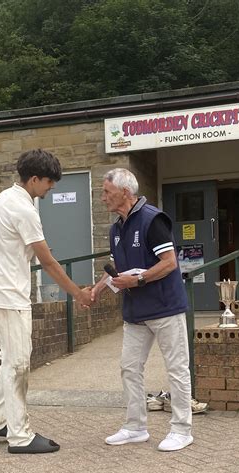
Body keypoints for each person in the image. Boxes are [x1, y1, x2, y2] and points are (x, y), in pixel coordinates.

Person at [0, 148, 92, 454]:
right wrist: (78, 293)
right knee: (19, 362)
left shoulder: (3, 198)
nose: (51, 187)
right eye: (48, 181)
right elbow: (50, 264)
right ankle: (20, 435)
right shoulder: (25, 210)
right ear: (33, 179)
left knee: (9, 357)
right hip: (10, 294)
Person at [91, 168, 193, 452]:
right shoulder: (116, 228)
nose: (102, 199)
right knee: (129, 368)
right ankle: (135, 427)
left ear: (125, 192)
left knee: (176, 369)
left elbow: (170, 262)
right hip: (135, 312)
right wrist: (97, 290)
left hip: (165, 308)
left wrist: (137, 279)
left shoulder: (152, 219)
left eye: (107, 193)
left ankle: (182, 430)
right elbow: (116, 269)